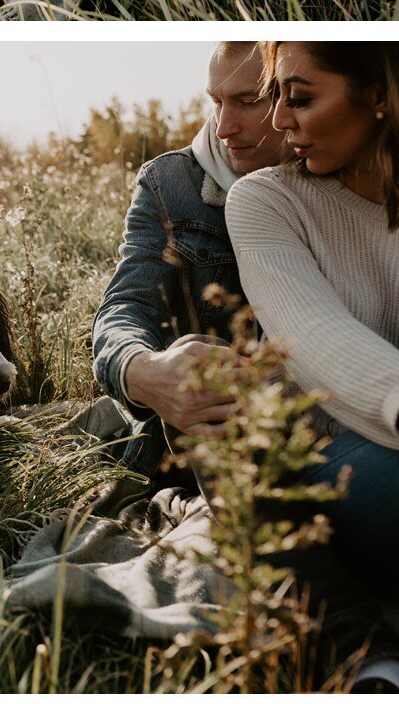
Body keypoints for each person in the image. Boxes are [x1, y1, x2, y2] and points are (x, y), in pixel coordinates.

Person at [226, 42, 399, 689]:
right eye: (276, 97)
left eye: (300, 97)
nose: (278, 121)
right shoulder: (266, 201)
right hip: (349, 489)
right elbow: (314, 337)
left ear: (380, 94)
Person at [92, 40, 283, 484]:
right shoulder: (170, 183)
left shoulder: (339, 178)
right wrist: (141, 371)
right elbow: (126, 306)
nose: (223, 127)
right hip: (192, 444)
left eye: (248, 101)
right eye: (216, 101)